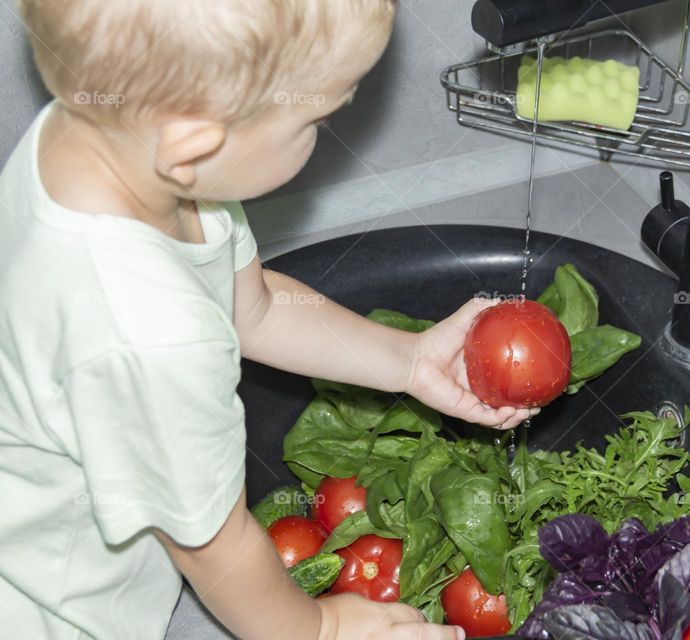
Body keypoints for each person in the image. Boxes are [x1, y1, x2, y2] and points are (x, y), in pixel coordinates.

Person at [0, 1, 535, 638]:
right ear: (195, 142)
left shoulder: (106, 144)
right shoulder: (149, 330)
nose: (325, 136)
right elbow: (212, 545)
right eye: (315, 119)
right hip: (65, 611)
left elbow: (253, 307)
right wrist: (321, 628)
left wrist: (411, 359)